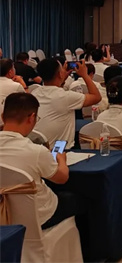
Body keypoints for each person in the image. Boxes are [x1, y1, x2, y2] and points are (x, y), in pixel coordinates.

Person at [0, 92, 85, 229]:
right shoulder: (36, 151)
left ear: (2, 117)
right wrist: (61, 160)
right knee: (80, 199)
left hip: (3, 215)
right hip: (39, 216)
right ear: (32, 118)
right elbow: (62, 178)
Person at [33, 59, 101, 145]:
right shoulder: (66, 97)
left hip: (39, 146)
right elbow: (96, 97)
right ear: (59, 74)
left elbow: (54, 90)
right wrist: (85, 75)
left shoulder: (34, 93)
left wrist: (62, 78)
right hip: (59, 148)